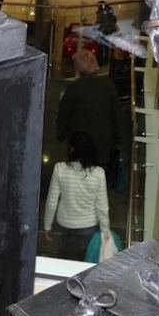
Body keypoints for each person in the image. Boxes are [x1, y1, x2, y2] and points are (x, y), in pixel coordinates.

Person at [56, 48, 129, 186]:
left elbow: (63, 114)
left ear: (78, 67)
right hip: (103, 144)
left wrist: (62, 134)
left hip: (78, 143)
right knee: (98, 179)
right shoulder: (108, 85)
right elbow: (117, 116)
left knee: (76, 179)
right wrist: (119, 142)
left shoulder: (74, 88)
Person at [43, 131, 111, 261]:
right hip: (88, 225)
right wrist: (105, 231)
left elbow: (52, 201)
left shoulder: (60, 168)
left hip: (65, 223)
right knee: (84, 260)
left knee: (65, 258)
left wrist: (47, 226)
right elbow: (102, 206)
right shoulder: (98, 173)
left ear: (71, 148)